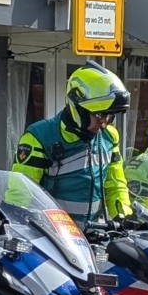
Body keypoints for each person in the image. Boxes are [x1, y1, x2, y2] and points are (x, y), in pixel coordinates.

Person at [14, 66, 132, 220]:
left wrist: (124, 216)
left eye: (109, 115)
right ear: (77, 109)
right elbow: (21, 191)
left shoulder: (109, 136)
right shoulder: (40, 136)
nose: (104, 122)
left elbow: (115, 185)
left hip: (94, 234)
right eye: (98, 114)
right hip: (52, 235)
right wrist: (15, 220)